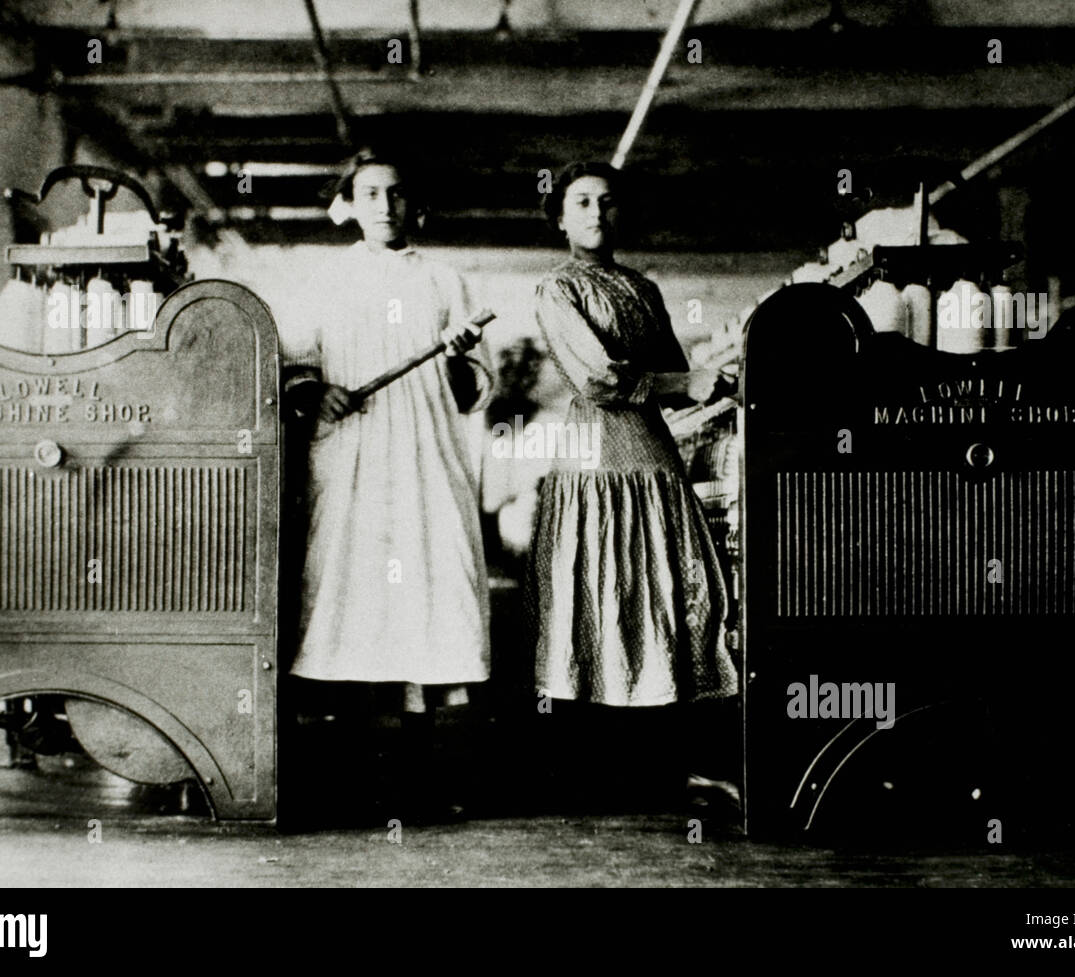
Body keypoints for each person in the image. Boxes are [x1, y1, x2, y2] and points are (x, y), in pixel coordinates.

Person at [281, 148, 492, 821]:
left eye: (396, 193)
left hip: (427, 459)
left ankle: (426, 776)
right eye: (369, 192)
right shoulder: (324, 277)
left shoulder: (446, 279)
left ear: (414, 204)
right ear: (348, 202)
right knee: (351, 596)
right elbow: (295, 364)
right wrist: (318, 393)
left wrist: (458, 360)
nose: (383, 204)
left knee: (429, 598)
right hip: (352, 458)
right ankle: (351, 771)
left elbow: (468, 392)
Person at [526, 161, 739, 811]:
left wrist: (724, 375)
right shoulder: (557, 287)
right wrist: (686, 381)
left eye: (607, 202)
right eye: (582, 202)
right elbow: (601, 380)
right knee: (600, 607)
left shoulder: (643, 287)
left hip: (656, 465)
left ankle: (664, 770)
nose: (596, 212)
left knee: (667, 603)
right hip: (598, 465)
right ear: (560, 217)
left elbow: (676, 372)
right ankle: (592, 775)